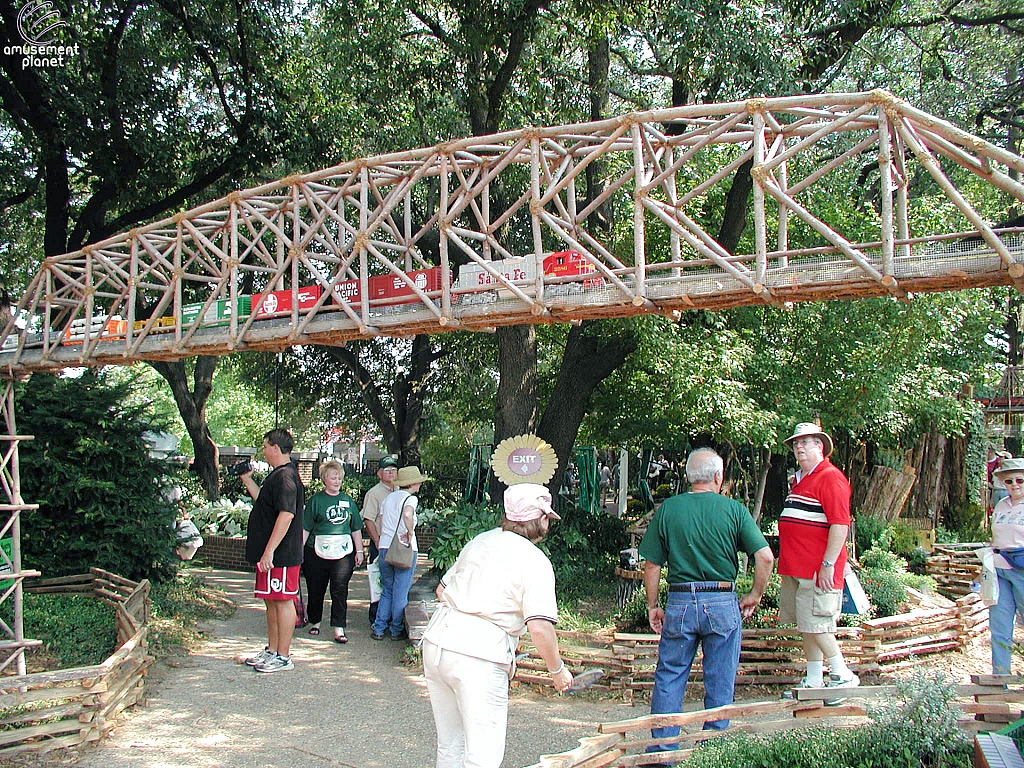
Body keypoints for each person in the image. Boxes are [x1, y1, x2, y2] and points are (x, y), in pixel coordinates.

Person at [422, 483, 572, 768]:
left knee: (451, 744)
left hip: (438, 642)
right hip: (480, 655)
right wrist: (558, 670)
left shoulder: (480, 540)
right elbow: (539, 627)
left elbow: (442, 591)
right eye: (546, 518)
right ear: (539, 518)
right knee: (483, 755)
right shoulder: (534, 560)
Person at [639, 448, 773, 750]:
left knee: (670, 675)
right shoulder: (734, 510)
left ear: (689, 477)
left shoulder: (669, 509)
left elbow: (651, 564)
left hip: (681, 601)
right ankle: (711, 752)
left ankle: (663, 752)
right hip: (722, 600)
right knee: (720, 678)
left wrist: (652, 605)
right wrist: (754, 594)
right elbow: (765, 557)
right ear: (718, 476)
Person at [778, 422, 858, 702]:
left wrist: (827, 565)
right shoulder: (800, 479)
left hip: (817, 569)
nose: (799, 447)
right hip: (797, 567)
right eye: (796, 444)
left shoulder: (830, 478)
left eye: (806, 442)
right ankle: (814, 679)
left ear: (820, 447)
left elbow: (840, 525)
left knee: (819, 626)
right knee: (806, 625)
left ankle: (842, 674)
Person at [241, 429, 305, 673]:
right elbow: (266, 505)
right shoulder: (276, 476)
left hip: (283, 554)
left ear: (276, 448)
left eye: (265, 446)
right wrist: (247, 480)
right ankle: (272, 649)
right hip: (270, 554)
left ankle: (283, 656)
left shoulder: (287, 477)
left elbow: (286, 514)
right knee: (271, 600)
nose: (264, 451)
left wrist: (269, 551)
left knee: (282, 600)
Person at [302, 460, 364, 643]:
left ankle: (339, 627)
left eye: (339, 478)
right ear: (324, 479)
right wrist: (299, 552)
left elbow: (356, 528)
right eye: (333, 477)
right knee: (316, 588)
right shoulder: (315, 501)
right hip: (316, 551)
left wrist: (359, 551)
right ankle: (315, 621)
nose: (337, 481)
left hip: (343, 552)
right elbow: (306, 528)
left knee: (340, 589)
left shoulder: (348, 501)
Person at [371, 465, 430, 642]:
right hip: (404, 549)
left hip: (384, 547)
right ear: (412, 483)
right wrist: (410, 531)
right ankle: (396, 629)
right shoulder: (410, 499)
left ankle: (379, 628)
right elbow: (407, 514)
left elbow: (380, 521)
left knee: (387, 589)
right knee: (401, 590)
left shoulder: (388, 499)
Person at [989, 457, 1024, 674]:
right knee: (999, 627)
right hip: (1000, 568)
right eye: (1009, 481)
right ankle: (999, 680)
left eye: (1020, 480)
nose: (1014, 485)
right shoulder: (1001, 505)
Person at [361, 456, 399, 623]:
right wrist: (376, 542)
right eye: (387, 470)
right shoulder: (374, 493)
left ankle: (392, 617)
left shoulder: (400, 490)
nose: (391, 472)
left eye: (393, 469)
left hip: (397, 545)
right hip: (381, 544)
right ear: (379, 473)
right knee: (379, 581)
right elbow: (368, 519)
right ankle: (376, 617)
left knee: (396, 581)